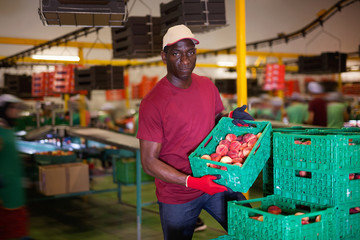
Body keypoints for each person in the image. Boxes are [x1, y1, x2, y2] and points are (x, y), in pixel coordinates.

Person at [136, 24, 249, 240]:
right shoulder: (153, 102)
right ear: (164, 56)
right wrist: (192, 181)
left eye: (190, 52)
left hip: (216, 178)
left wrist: (231, 119)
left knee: (250, 228)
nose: (185, 60)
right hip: (178, 195)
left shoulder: (207, 86)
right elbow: (149, 161)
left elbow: (215, 119)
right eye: (176, 53)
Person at [0, 94, 30, 239]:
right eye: (12, 108)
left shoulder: (9, 130)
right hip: (5, 194)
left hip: (14, 189)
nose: (16, 111)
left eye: (17, 108)